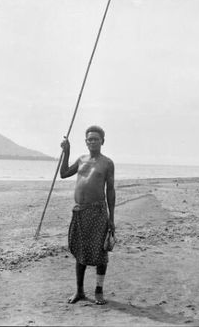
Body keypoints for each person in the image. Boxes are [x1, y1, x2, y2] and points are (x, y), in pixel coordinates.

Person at [60, 125, 115, 305]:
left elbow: (111, 191)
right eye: (89, 139)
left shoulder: (107, 163)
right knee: (80, 251)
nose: (92, 141)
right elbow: (64, 173)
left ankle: (99, 291)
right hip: (80, 212)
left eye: (96, 139)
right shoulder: (81, 160)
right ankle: (79, 291)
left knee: (101, 252)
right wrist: (66, 152)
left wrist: (112, 218)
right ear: (86, 142)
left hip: (98, 211)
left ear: (102, 142)